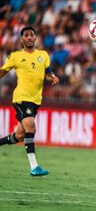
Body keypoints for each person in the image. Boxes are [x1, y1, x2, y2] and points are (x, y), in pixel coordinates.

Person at [0, 26, 59, 176]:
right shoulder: (16, 56)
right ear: (22, 39)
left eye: (31, 35)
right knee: (31, 127)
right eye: (26, 35)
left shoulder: (43, 55)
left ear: (35, 37)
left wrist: (53, 78)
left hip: (35, 100)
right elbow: (3, 71)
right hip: (21, 98)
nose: (29, 37)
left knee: (20, 135)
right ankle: (34, 167)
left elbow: (47, 73)